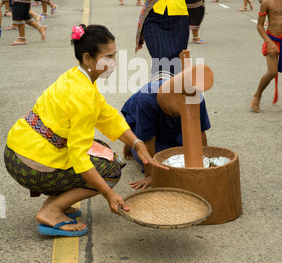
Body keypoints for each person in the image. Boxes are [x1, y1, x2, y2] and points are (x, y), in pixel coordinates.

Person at [4, 24, 167, 237]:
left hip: (18, 150)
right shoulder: (82, 94)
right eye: (108, 57)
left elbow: (107, 116)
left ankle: (58, 201)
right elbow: (79, 158)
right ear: (88, 58)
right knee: (110, 170)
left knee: (104, 151)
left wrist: (138, 144)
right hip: (30, 162)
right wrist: (108, 194)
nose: (114, 63)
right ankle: (51, 210)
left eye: (114, 56)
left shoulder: (77, 76)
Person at [121, 76, 211, 190]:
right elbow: (148, 141)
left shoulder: (196, 98)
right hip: (143, 123)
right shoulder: (146, 100)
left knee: (185, 157)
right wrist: (151, 175)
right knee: (162, 163)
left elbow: (199, 132)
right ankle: (131, 138)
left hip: (173, 125)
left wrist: (204, 163)